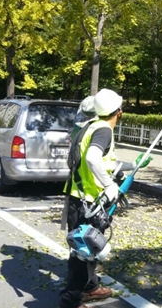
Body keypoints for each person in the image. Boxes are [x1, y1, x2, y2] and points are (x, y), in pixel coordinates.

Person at [59, 88, 133, 308]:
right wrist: (109, 185)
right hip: (86, 201)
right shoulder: (103, 130)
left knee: (90, 248)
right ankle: (69, 301)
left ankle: (91, 288)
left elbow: (96, 160)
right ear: (118, 112)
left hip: (79, 197)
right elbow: (92, 157)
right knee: (82, 251)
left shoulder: (90, 126)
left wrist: (119, 171)